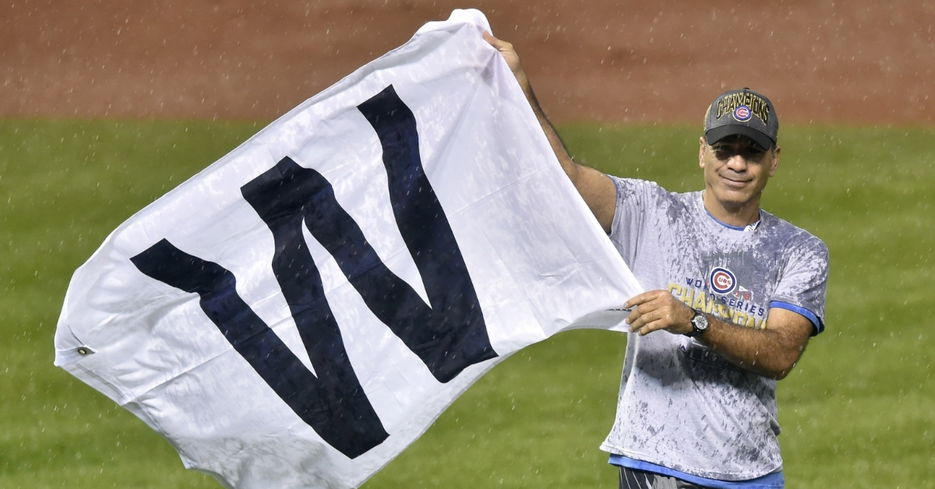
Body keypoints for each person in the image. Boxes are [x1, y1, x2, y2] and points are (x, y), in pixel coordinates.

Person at [484, 32, 829, 489]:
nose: (737, 164)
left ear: (774, 160)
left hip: (754, 473)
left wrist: (693, 320)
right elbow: (564, 179)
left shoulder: (799, 250)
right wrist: (520, 87)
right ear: (702, 152)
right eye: (725, 150)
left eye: (752, 152)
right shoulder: (651, 212)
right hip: (658, 464)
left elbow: (781, 353)